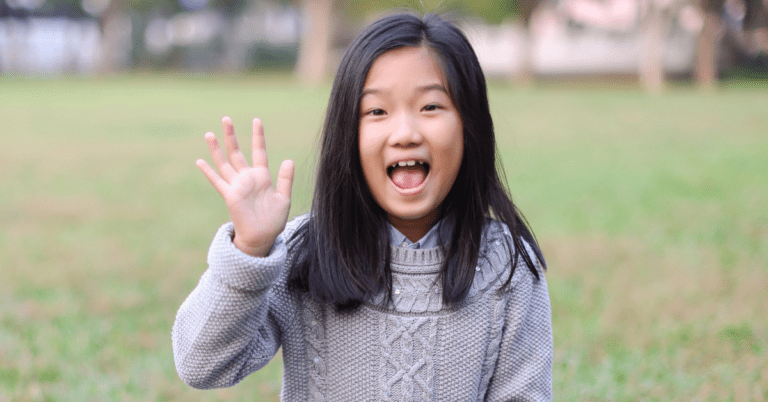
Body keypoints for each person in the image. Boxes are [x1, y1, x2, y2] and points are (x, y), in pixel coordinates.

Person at [173, 12, 553, 401]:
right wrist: (250, 250)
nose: (405, 133)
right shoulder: (303, 253)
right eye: (376, 111)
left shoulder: (509, 268)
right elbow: (202, 364)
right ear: (347, 135)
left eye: (431, 107)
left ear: (469, 125)